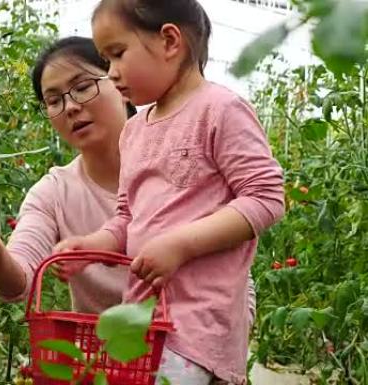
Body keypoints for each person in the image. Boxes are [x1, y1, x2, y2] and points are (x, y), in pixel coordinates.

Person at [54, 1, 285, 384]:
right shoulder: (135, 131)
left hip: (198, 327)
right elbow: (128, 217)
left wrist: (180, 245)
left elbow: (265, 196)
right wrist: (93, 246)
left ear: (169, 40)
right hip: (143, 320)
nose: (111, 74)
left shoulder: (220, 109)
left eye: (118, 54)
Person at [0, 36, 134, 314]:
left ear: (122, 83)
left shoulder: (178, 160)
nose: (70, 107)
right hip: (103, 353)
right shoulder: (54, 193)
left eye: (82, 87)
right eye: (53, 101)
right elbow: (19, 282)